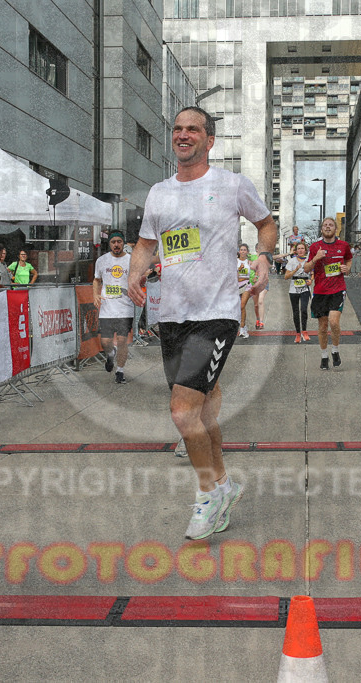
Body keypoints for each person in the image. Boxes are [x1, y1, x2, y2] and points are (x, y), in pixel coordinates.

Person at [127, 106, 276, 540]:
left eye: (193, 129)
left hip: (216, 313)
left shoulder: (230, 185)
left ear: (209, 141)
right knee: (204, 407)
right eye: (176, 129)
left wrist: (264, 255)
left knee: (182, 411)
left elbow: (266, 225)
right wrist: (136, 271)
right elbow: (145, 243)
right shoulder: (159, 193)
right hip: (172, 316)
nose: (183, 135)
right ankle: (225, 484)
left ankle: (208, 495)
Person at [304, 216, 352, 369]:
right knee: (323, 326)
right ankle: (324, 356)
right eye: (325, 225)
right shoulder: (314, 247)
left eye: (331, 225)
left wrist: (347, 268)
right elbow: (306, 268)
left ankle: (335, 350)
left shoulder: (343, 245)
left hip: (338, 289)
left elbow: (349, 260)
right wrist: (316, 258)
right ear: (321, 229)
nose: (328, 227)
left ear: (335, 229)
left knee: (333, 321)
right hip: (320, 291)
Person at [94, 231, 133, 383]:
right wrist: (95, 295)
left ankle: (120, 371)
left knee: (123, 340)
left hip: (125, 307)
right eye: (113, 242)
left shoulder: (131, 260)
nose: (116, 244)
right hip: (107, 308)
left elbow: (137, 279)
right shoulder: (102, 260)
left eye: (119, 241)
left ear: (123, 243)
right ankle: (111, 353)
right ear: (109, 244)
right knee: (105, 342)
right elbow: (96, 280)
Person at [285, 241, 313, 343]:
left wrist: (311, 280)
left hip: (305, 288)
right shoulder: (292, 261)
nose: (300, 250)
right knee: (296, 311)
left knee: (304, 309)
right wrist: (295, 270)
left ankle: (304, 331)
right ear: (296, 251)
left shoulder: (308, 260)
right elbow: (286, 277)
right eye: (299, 249)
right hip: (293, 289)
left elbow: (312, 273)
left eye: (302, 248)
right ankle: (297, 333)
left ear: (305, 250)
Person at [236, 243, 255, 338]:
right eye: (241, 249)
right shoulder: (235, 262)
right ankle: (244, 326)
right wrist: (239, 269)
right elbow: (234, 277)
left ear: (247, 252)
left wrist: (256, 277)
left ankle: (242, 328)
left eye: (245, 250)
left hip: (246, 286)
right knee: (238, 308)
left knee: (242, 305)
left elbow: (257, 271)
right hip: (236, 287)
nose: (243, 251)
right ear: (239, 251)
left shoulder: (249, 262)